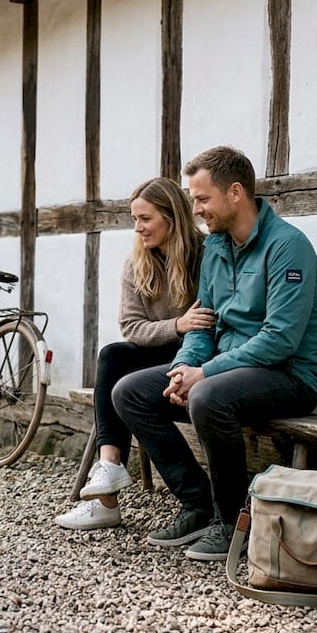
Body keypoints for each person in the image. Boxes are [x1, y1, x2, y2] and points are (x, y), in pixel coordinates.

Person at [114, 146, 317, 559]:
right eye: (193, 199)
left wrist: (205, 373)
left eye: (202, 198)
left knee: (208, 396)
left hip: (290, 375)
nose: (195, 209)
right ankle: (199, 502)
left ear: (235, 193)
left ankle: (231, 522)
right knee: (130, 392)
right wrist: (183, 367)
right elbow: (202, 322)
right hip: (226, 371)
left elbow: (280, 339)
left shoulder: (288, 247)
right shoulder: (216, 248)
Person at [54, 177, 216, 531]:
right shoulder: (137, 263)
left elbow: (207, 322)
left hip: (200, 357)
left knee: (122, 381)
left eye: (146, 219)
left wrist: (186, 331)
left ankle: (107, 503)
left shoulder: (204, 256)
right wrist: (177, 325)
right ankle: (110, 468)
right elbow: (132, 328)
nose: (138, 228)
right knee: (113, 355)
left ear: (171, 218)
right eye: (135, 220)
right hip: (162, 350)